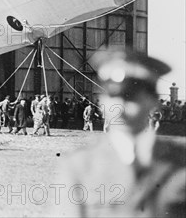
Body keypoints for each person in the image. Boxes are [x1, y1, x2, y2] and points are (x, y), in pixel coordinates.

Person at [59, 48, 186, 216]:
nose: (120, 110)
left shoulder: (180, 163)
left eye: (131, 98)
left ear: (153, 102)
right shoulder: (79, 166)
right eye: (113, 97)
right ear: (102, 102)